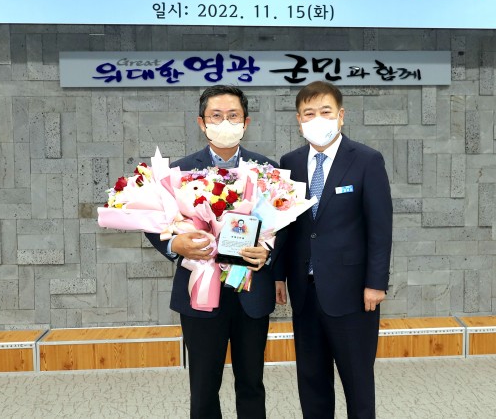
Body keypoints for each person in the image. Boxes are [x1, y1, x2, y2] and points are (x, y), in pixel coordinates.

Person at [146, 85, 278, 419]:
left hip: (251, 292)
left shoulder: (267, 171)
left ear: (246, 122)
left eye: (233, 116)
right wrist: (173, 245)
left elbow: (286, 227)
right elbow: (153, 221)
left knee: (252, 384)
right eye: (216, 116)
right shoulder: (178, 172)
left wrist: (269, 254)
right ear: (201, 122)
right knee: (204, 387)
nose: (225, 123)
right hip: (200, 293)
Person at [274, 81, 393, 419]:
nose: (317, 119)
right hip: (304, 290)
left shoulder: (367, 160)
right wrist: (279, 275)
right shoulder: (290, 162)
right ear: (299, 120)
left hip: (353, 292)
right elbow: (285, 224)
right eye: (308, 113)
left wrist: (376, 283)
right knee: (312, 380)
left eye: (325, 111)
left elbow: (380, 228)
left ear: (341, 116)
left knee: (357, 381)